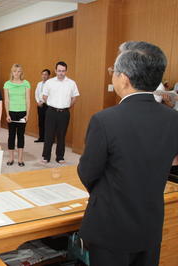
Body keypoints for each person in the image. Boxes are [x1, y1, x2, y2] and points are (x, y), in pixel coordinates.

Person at [78, 41, 178, 266]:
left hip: (110, 228)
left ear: (124, 78)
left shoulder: (104, 120)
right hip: (150, 226)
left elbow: (87, 172)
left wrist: (108, 193)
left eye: (113, 70)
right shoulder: (173, 119)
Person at [42, 61, 79, 164]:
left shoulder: (71, 83)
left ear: (66, 71)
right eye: (59, 71)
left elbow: (74, 98)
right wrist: (52, 104)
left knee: (61, 135)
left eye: (63, 71)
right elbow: (44, 97)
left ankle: (60, 157)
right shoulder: (49, 82)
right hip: (51, 112)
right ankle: (46, 156)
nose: (61, 73)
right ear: (55, 71)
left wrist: (66, 106)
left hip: (64, 113)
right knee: (49, 134)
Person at [4, 64, 30, 167]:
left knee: (20, 135)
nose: (16, 73)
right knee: (11, 135)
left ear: (21, 73)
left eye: (19, 71)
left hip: (22, 112)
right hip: (11, 112)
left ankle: (20, 159)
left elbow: (28, 100)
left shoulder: (26, 83)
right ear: (12, 72)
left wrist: (27, 114)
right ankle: (11, 158)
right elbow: (6, 100)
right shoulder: (7, 84)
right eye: (14, 71)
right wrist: (7, 114)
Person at [34, 69, 51, 142]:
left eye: (46, 74)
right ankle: (41, 138)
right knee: (41, 122)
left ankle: (48, 139)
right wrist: (38, 101)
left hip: (47, 105)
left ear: (48, 76)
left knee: (48, 123)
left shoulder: (51, 84)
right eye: (43, 74)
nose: (44, 76)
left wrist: (43, 101)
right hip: (40, 105)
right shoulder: (39, 84)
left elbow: (50, 95)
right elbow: (36, 93)